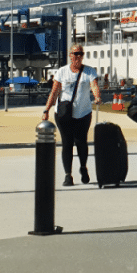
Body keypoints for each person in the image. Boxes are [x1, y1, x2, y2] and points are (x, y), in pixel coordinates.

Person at [42, 46, 101, 186]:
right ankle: (68, 175)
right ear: (70, 55)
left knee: (81, 142)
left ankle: (83, 167)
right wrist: (46, 110)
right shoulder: (62, 72)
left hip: (83, 113)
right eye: (76, 54)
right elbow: (54, 92)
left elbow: (94, 86)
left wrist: (97, 96)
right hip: (64, 114)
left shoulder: (89, 71)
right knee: (67, 143)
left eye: (81, 54)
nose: (78, 56)